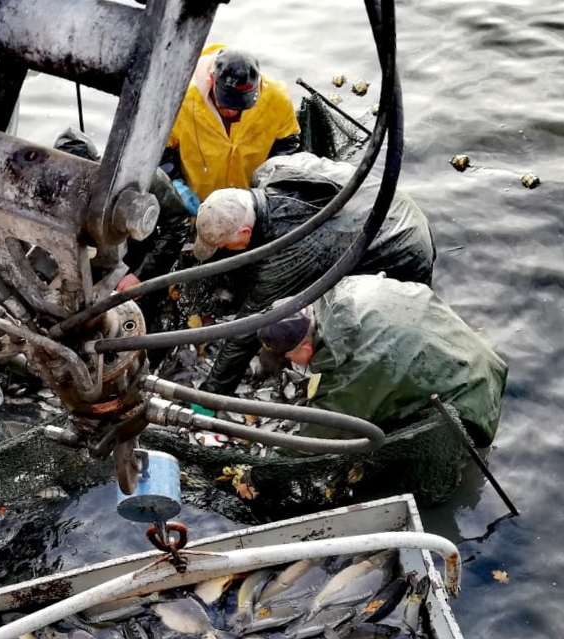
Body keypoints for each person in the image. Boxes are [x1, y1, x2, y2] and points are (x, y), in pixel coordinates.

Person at [194, 153, 437, 397]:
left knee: (356, 325)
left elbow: (248, 327)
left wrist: (211, 393)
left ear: (246, 230)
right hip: (387, 201)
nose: (225, 251)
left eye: (226, 245)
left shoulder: (293, 251)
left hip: (403, 248)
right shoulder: (270, 169)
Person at [256, 274, 508, 446]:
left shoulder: (354, 369)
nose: (289, 361)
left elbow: (319, 435)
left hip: (472, 405)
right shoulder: (343, 288)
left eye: (289, 356)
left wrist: (259, 472)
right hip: (465, 350)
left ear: (308, 345)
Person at [52, 128, 190, 323]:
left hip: (139, 259)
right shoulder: (57, 191)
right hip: (95, 264)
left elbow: (179, 225)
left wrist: (141, 275)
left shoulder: (141, 178)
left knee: (148, 315)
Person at [162, 46, 301, 205]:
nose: (230, 111)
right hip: (198, 203)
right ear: (212, 79)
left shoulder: (277, 99)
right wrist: (176, 186)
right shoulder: (180, 99)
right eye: (225, 103)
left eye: (239, 105)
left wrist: (268, 192)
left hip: (252, 204)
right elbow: (162, 152)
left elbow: (288, 147)